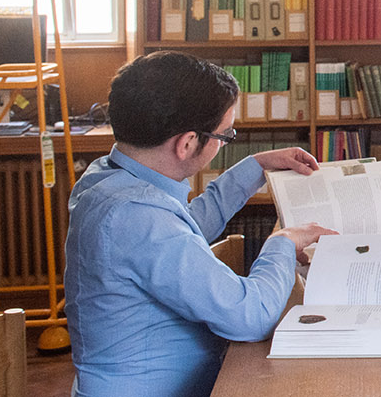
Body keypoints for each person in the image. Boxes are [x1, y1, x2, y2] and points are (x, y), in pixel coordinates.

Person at [65, 51, 338, 397]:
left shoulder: (107, 178)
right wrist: (282, 243)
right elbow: (250, 316)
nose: (225, 143)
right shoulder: (137, 215)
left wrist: (256, 167)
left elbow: (183, 228)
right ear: (188, 143)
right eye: (225, 136)